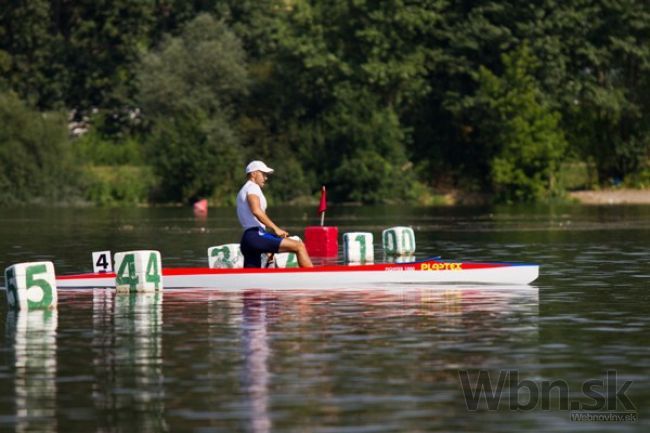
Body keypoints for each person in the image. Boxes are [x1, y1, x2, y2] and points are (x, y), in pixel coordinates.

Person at [237, 160, 313, 268]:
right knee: (299, 246)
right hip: (255, 236)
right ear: (253, 174)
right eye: (263, 174)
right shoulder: (252, 187)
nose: (266, 178)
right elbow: (256, 211)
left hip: (247, 240)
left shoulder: (243, 190)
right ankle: (313, 280)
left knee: (251, 280)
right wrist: (276, 228)